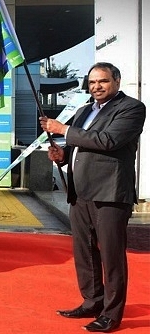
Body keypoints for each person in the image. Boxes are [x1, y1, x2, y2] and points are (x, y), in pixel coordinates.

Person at [39, 62, 146, 333]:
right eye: (92, 82)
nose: (96, 86)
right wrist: (62, 156)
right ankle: (92, 301)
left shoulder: (131, 108)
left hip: (110, 194)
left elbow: (107, 141)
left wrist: (63, 130)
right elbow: (78, 145)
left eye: (103, 81)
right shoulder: (84, 110)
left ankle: (112, 314)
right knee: (84, 253)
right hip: (80, 193)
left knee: (111, 257)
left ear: (117, 81)